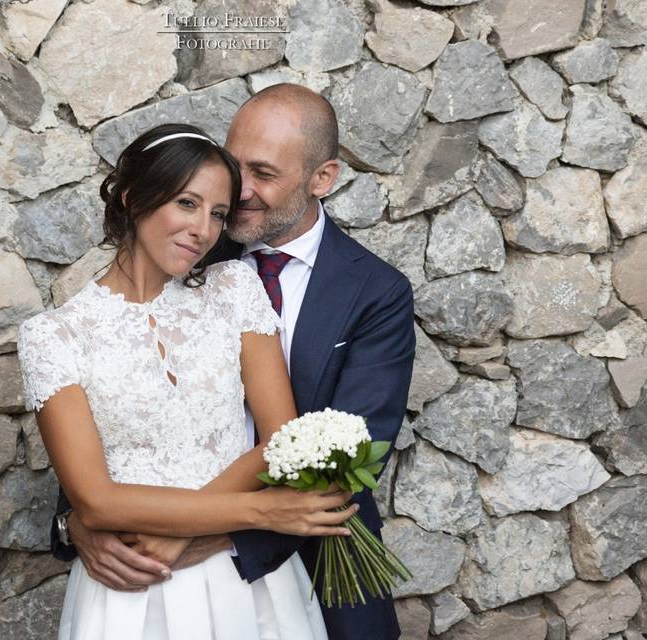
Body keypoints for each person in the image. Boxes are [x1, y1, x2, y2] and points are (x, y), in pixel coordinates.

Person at [51, 84, 416, 640]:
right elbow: (115, 399)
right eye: (233, 164)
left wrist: (211, 535)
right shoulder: (185, 248)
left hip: (315, 564)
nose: (238, 190)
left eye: (263, 173)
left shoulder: (375, 292)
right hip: (141, 567)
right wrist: (78, 519)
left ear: (322, 179)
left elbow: (353, 456)